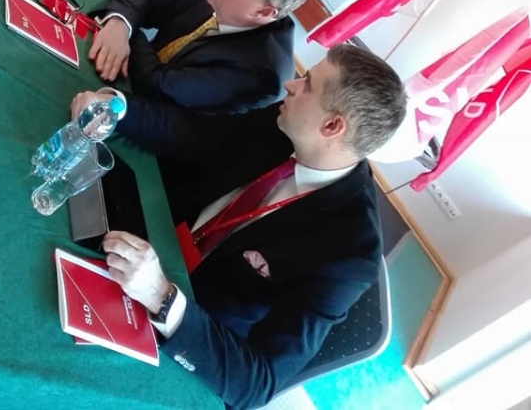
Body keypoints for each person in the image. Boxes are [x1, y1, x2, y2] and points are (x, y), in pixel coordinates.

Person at [99, 46, 407, 410]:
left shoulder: (350, 252)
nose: (291, 85)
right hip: (149, 243)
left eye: (307, 84)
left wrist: (162, 299)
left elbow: (258, 385)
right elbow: (195, 135)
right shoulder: (284, 121)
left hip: (184, 330)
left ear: (331, 126)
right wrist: (117, 108)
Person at [71, 0, 312, 160]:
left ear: (263, 11)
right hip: (127, 80)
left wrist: (129, 34)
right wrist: (120, 24)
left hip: (154, 148)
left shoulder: (263, 71)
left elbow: (158, 84)